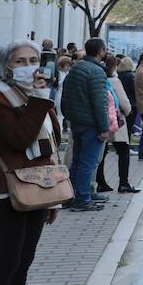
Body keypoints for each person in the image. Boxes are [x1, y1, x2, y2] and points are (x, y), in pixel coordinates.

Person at [0, 41, 61, 285]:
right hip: (7, 190)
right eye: (20, 61)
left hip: (38, 185)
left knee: (24, 259)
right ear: (5, 66)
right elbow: (18, 138)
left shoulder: (31, 95)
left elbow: (49, 142)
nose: (28, 66)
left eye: (33, 60)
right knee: (6, 259)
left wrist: (52, 195)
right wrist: (40, 99)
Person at [60, 37, 111, 211]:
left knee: (77, 161)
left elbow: (66, 95)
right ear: (100, 51)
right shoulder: (96, 72)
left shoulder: (76, 68)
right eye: (104, 50)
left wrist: (69, 117)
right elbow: (99, 103)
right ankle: (82, 198)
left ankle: (73, 194)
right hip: (91, 124)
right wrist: (104, 128)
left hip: (77, 122)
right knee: (87, 163)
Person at [97, 55, 137, 194]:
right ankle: (123, 183)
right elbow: (124, 103)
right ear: (114, 66)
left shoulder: (98, 78)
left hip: (99, 120)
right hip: (116, 122)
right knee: (123, 151)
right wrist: (128, 112)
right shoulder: (114, 80)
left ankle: (100, 181)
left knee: (101, 152)